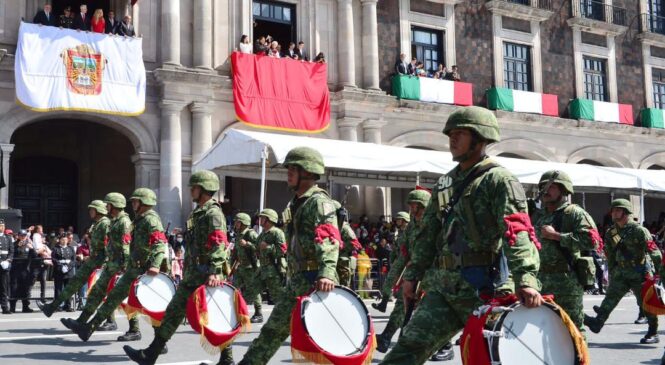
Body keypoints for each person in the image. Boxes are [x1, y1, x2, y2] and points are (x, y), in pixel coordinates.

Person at [380, 106, 543, 364]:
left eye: (460, 133)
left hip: (484, 288)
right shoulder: (446, 182)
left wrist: (527, 279)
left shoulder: (499, 180)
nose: (452, 139)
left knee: (492, 357)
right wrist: (412, 276)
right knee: (407, 348)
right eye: (450, 134)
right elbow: (428, 234)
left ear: (479, 137)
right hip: (443, 287)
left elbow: (517, 231)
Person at [237, 146, 340, 365]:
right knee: (272, 330)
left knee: (323, 341)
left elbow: (329, 239)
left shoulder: (319, 202)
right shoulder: (296, 203)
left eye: (294, 168)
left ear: (308, 172)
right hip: (297, 280)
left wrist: (327, 273)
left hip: (316, 280)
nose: (288, 173)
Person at [124, 171, 235, 365]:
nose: (191, 190)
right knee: (173, 313)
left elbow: (219, 241)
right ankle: (151, 354)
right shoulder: (198, 212)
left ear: (203, 189)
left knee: (217, 316)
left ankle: (227, 359)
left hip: (207, 273)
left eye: (194, 187)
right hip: (193, 273)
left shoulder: (213, 212)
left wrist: (215, 271)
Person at [66, 188, 169, 345]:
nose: (133, 203)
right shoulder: (140, 219)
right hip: (134, 268)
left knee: (151, 306)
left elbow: (159, 242)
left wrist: (155, 265)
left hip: (145, 270)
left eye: (135, 201)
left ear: (144, 202)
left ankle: (159, 344)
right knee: (113, 299)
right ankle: (88, 328)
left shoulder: (151, 220)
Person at [532, 170, 602, 337]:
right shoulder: (539, 216)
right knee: (544, 330)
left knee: (573, 331)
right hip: (541, 281)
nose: (546, 190)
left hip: (566, 283)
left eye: (552, 187)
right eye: (543, 187)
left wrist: (556, 236)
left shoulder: (573, 213)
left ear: (563, 190)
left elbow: (593, 242)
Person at [584, 199, 660, 344]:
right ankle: (597, 323)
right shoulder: (611, 232)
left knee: (645, 303)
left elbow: (654, 252)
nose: (614, 213)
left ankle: (653, 331)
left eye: (617, 210)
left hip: (639, 272)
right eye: (613, 210)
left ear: (625, 212)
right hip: (621, 272)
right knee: (609, 299)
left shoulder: (639, 231)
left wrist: (660, 274)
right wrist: (612, 270)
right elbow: (610, 253)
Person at [61, 193, 136, 338]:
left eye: (108, 204)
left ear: (114, 205)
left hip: (120, 267)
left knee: (126, 299)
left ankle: (133, 329)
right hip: (113, 265)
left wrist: (125, 267)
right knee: (103, 294)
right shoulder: (115, 221)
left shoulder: (123, 222)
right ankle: (86, 323)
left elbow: (125, 246)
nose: (106, 207)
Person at [38, 200, 110, 317]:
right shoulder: (96, 224)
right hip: (93, 261)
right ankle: (53, 307)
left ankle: (96, 320)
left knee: (101, 292)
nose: (90, 212)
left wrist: (104, 260)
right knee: (75, 284)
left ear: (98, 210)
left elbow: (108, 244)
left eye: (92, 209)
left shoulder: (104, 224)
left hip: (101, 263)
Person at [373, 211, 410, 314]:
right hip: (399, 261)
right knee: (389, 281)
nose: (397, 221)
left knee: (405, 288)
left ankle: (404, 310)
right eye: (397, 219)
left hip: (407, 262)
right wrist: (392, 259)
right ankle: (383, 304)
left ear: (404, 220)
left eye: (399, 219)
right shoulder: (399, 232)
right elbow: (395, 248)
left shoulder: (410, 231)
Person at [254, 208, 287, 317]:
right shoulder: (263, 233)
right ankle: (258, 313)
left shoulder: (277, 232)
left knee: (278, 296)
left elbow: (282, 250)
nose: (260, 220)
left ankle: (284, 319)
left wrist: (268, 247)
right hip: (263, 269)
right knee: (253, 289)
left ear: (269, 220)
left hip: (273, 270)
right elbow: (257, 246)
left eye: (262, 218)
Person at [231, 212, 261, 322]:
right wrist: (231, 265)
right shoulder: (238, 234)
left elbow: (260, 248)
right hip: (241, 267)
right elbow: (236, 251)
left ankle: (258, 313)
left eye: (237, 221)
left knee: (254, 290)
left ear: (243, 223)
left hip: (250, 268)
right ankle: (236, 312)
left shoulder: (251, 234)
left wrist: (247, 244)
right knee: (234, 289)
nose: (235, 223)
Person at [335, 201, 362, 288]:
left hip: (343, 261)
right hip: (335, 260)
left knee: (343, 288)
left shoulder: (344, 227)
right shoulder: (334, 225)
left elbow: (354, 243)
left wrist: (339, 246)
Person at [10, 230, 35, 313]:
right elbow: (11, 254)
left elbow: (34, 256)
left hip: (25, 270)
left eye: (24, 235)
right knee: (14, 288)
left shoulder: (28, 244)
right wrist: (17, 246)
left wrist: (32, 248)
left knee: (25, 288)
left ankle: (25, 307)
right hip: (16, 270)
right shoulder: (14, 244)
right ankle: (12, 307)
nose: (23, 237)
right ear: (18, 236)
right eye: (21, 235)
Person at [52, 234, 76, 312]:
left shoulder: (71, 248)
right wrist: (61, 267)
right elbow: (54, 259)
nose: (64, 241)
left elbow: (73, 260)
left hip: (69, 272)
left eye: (65, 239)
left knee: (68, 289)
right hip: (59, 271)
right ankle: (57, 306)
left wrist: (68, 267)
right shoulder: (55, 249)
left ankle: (67, 305)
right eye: (62, 239)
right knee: (58, 290)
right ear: (59, 240)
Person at [0, 220, 14, 314]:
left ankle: (5, 307)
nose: (2, 227)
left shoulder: (8, 237)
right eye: (1, 226)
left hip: (5, 265)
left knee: (4, 287)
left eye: (3, 226)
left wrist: (8, 260)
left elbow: (11, 251)